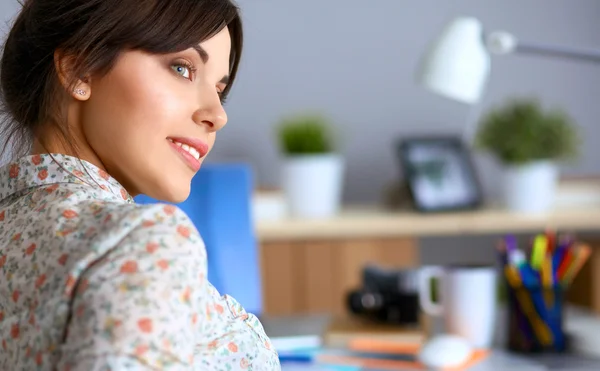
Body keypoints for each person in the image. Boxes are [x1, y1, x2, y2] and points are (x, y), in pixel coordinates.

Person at [0, 0, 280, 369]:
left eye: (219, 89)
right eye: (182, 68)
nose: (217, 115)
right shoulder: (142, 242)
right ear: (78, 69)